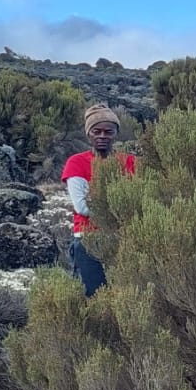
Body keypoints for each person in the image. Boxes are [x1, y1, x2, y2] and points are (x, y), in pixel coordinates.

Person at [62, 103, 136, 296]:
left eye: (108, 131)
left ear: (115, 134)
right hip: (89, 240)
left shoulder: (130, 162)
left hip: (125, 240)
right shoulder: (76, 163)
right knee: (94, 297)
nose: (102, 136)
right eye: (97, 131)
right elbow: (82, 207)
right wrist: (121, 207)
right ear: (89, 133)